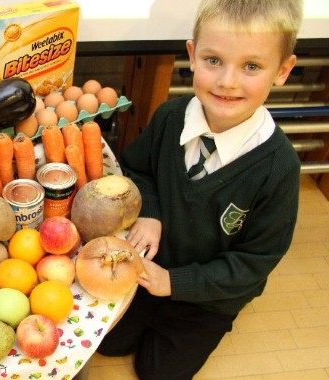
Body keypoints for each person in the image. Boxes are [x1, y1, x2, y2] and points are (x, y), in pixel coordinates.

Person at [97, 0, 302, 379]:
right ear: (192, 55)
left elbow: (254, 263)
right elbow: (137, 169)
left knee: (157, 372)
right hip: (151, 268)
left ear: (283, 70)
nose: (227, 81)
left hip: (210, 297)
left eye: (252, 66)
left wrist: (175, 283)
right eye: (213, 60)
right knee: (108, 344)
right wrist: (151, 212)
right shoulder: (170, 118)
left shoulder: (280, 168)